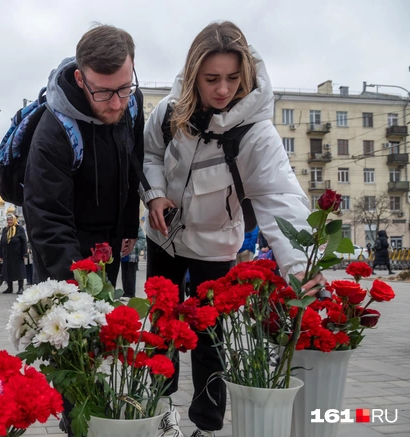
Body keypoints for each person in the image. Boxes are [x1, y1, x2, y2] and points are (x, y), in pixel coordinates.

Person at [142, 21, 325, 437]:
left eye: (231, 79)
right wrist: (154, 194)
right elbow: (149, 153)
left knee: (210, 338)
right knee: (162, 327)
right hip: (163, 238)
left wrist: (300, 265)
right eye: (211, 80)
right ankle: (160, 409)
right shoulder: (170, 111)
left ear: (246, 76)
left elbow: (280, 197)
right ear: (193, 77)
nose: (222, 89)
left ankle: (205, 426)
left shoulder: (255, 133)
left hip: (215, 245)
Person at [23, 24, 144, 286]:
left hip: (109, 239)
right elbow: (46, 218)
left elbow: (134, 164)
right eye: (102, 92)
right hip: (64, 243)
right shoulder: (54, 132)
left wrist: (129, 226)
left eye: (124, 88)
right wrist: (77, 286)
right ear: (80, 79)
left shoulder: (132, 102)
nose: (116, 103)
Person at [0, 214, 27, 294]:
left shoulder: (19, 229)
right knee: (8, 271)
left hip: (17, 254)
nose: (9, 221)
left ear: (14, 220)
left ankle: (20, 288)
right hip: (7, 254)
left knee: (19, 271)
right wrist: (0, 255)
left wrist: (25, 253)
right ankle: (9, 288)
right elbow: (2, 243)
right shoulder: (5, 229)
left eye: (11, 220)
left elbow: (24, 241)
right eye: (8, 220)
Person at [120, 225, 146, 298]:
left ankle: (131, 293)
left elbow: (142, 239)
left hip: (133, 254)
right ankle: (125, 292)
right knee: (124, 274)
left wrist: (135, 246)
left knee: (131, 274)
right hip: (124, 254)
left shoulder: (136, 227)